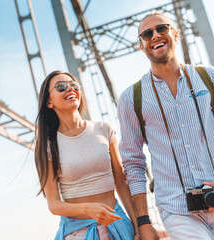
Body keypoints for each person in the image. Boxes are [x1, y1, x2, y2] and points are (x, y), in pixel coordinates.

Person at [117, 12, 214, 240]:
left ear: (175, 34)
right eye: (147, 33)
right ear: (141, 45)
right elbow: (133, 163)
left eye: (162, 28)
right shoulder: (131, 98)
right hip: (176, 209)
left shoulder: (209, 76)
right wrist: (143, 221)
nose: (156, 35)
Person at [34, 70, 139, 240]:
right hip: (78, 233)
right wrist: (88, 209)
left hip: (118, 228)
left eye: (74, 85)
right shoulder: (47, 145)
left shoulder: (104, 129)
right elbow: (54, 205)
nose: (70, 89)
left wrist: (138, 227)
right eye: (61, 87)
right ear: (49, 102)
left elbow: (121, 183)